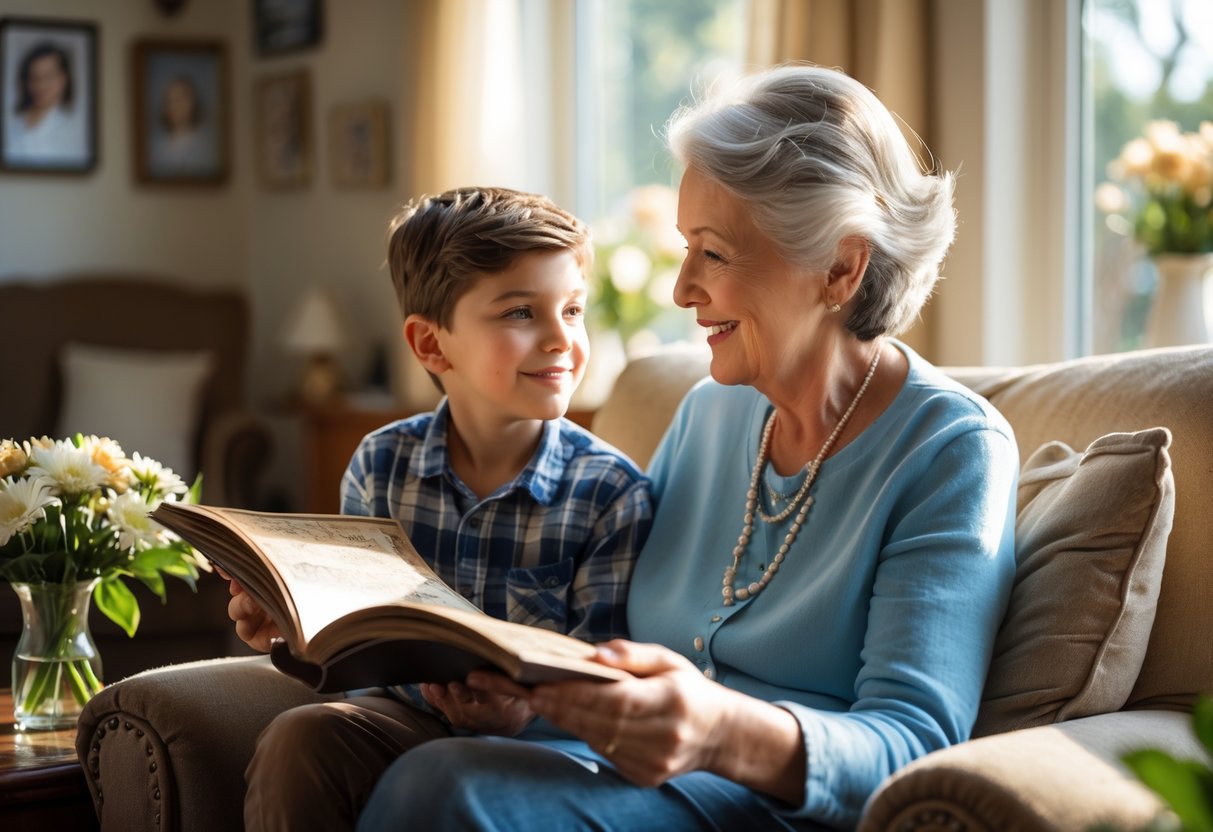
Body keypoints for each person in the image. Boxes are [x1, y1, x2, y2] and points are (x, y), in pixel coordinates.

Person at [355, 65, 1020, 831]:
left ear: (839, 267)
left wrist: (720, 730)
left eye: (712, 252)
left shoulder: (949, 451)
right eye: (684, 248)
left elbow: (916, 745)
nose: (680, 289)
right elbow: (614, 661)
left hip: (774, 810)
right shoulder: (708, 411)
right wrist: (519, 706)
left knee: (446, 789)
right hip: (610, 776)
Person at [226, 187, 654, 831]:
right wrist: (289, 633)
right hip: (404, 723)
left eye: (572, 309)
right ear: (431, 346)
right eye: (520, 312)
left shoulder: (610, 492)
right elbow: (348, 653)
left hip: (544, 751)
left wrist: (522, 713)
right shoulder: (381, 465)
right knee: (301, 736)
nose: (560, 338)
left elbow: (610, 680)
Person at [5, 41, 86, 164]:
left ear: (63, 79)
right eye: (34, 77)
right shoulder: (11, 122)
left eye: (48, 77)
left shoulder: (75, 127)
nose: (40, 85)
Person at [149, 75, 216, 176]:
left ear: (193, 103)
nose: (177, 106)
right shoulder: (158, 146)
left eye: (182, 99)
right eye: (171, 100)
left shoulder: (206, 143)